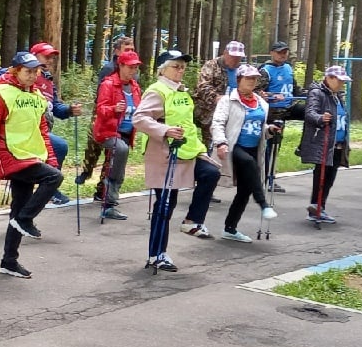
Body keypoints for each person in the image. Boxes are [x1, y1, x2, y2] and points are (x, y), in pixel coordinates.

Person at [0, 51, 62, 279]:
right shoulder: (0, 93)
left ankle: (9, 260)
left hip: (31, 155)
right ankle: (26, 219)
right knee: (54, 178)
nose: (34, 75)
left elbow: (42, 131)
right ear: (15, 71)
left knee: (18, 209)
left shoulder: (36, 97)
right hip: (11, 155)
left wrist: (51, 158)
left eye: (36, 71)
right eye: (29, 71)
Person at [133, 50, 220, 271]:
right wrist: (165, 130)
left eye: (183, 67)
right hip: (162, 155)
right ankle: (156, 255)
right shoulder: (157, 91)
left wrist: (200, 149)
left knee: (210, 173)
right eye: (176, 66)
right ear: (163, 69)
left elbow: (188, 124)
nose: (181, 70)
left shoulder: (181, 91)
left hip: (187, 151)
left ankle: (191, 221)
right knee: (165, 205)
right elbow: (139, 118)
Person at [210, 64, 280, 242]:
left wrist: (269, 130)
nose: (252, 81)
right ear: (239, 80)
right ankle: (264, 205)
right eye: (248, 78)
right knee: (250, 165)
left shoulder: (261, 103)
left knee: (245, 190)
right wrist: (220, 142)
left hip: (253, 148)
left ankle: (230, 228)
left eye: (254, 78)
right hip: (234, 146)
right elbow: (217, 123)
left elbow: (258, 127)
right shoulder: (228, 100)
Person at [91, 48, 143, 221]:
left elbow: (139, 108)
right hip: (108, 131)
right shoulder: (108, 84)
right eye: (130, 67)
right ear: (120, 65)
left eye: (135, 67)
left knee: (118, 166)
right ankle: (109, 203)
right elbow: (100, 109)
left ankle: (109, 201)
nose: (133, 71)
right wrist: (114, 109)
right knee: (120, 152)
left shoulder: (135, 87)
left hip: (127, 133)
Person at [298, 65, 350, 224]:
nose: (342, 83)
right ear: (329, 78)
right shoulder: (317, 93)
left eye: (343, 81)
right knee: (321, 175)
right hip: (323, 141)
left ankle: (320, 207)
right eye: (339, 80)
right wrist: (321, 118)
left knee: (329, 177)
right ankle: (316, 207)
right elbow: (310, 113)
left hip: (337, 143)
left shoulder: (337, 95)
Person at [31, 42, 81, 206]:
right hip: (29, 129)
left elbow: (56, 107)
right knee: (59, 146)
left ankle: (49, 188)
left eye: (52, 58)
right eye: (46, 57)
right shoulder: (26, 75)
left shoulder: (48, 81)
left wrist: (69, 110)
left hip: (44, 129)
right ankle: (49, 188)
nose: (50, 60)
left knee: (58, 147)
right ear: (34, 57)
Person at [261, 42, 303, 192]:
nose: (282, 55)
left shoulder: (288, 68)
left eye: (285, 52)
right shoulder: (265, 71)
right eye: (279, 52)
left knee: (310, 114)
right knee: (273, 145)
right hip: (273, 111)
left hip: (289, 107)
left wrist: (308, 93)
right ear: (272, 53)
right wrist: (272, 96)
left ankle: (303, 147)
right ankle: (267, 179)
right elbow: (258, 93)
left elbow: (295, 88)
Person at [193, 40, 248, 137]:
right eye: (233, 57)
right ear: (225, 53)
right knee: (212, 142)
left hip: (234, 113)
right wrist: (216, 97)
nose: (235, 60)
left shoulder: (242, 70)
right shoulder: (212, 65)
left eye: (238, 57)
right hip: (211, 113)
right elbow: (203, 85)